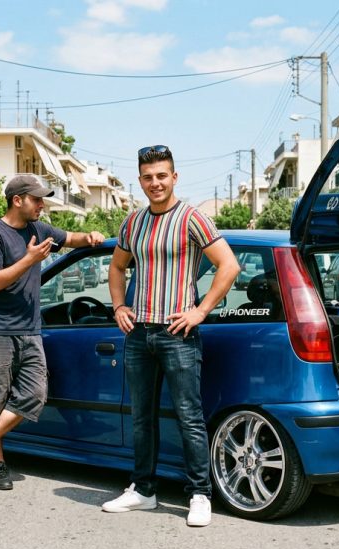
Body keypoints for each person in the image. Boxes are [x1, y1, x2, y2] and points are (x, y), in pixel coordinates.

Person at [101, 145, 240, 527]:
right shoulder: (133, 222)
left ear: (174, 177)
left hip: (178, 334)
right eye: (148, 177)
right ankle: (143, 490)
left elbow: (229, 265)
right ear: (140, 180)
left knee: (189, 417)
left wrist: (200, 311)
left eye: (162, 175)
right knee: (141, 418)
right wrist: (119, 306)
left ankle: (200, 494)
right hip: (138, 334)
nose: (155, 183)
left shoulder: (192, 218)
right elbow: (117, 267)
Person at [0, 175, 105, 491]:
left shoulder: (39, 229)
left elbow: (71, 238)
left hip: (30, 330)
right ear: (17, 200)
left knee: (35, 394)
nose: (42, 205)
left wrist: (90, 237)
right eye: (37, 199)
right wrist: (29, 259)